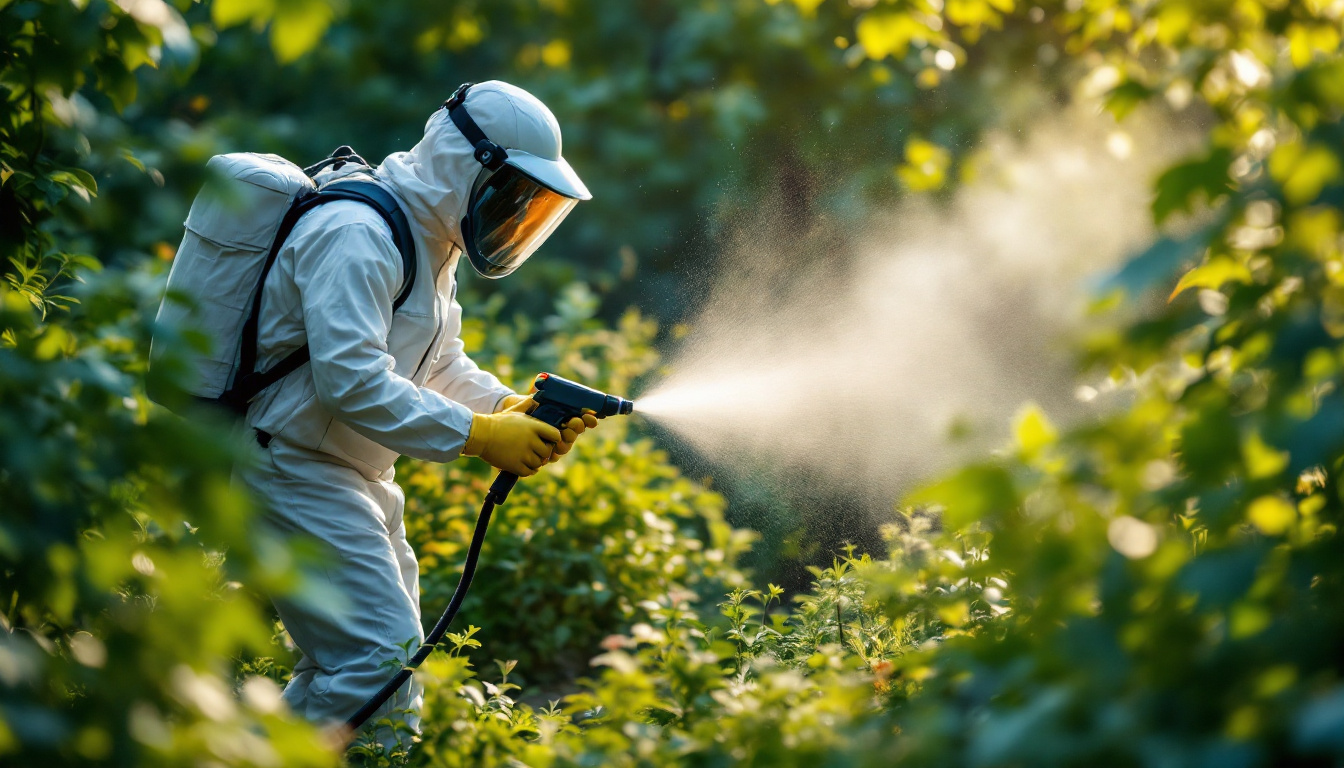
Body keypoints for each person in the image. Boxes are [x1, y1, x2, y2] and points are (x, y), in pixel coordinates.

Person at [234, 81, 596, 746]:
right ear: (470, 165)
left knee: (352, 670)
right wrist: (483, 435)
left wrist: (506, 408)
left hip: (346, 473)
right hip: (288, 464)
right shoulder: (358, 233)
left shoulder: (430, 243)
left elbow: (439, 363)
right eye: (515, 194)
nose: (516, 215)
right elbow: (351, 381)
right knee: (378, 668)